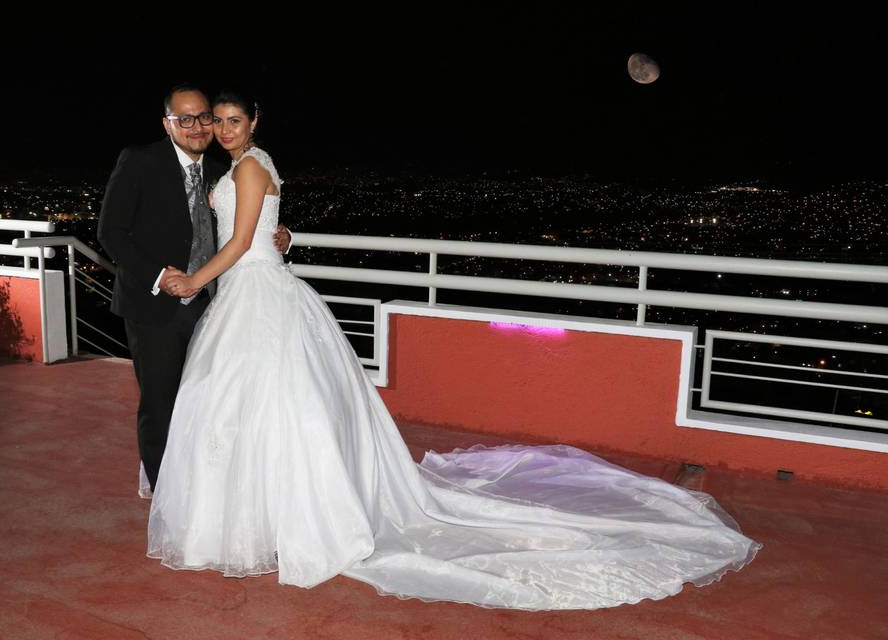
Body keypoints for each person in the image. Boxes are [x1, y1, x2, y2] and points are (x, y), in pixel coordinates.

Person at [147, 91, 760, 610]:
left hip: (256, 296)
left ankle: (288, 519)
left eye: (231, 119)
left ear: (253, 123)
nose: (222, 128)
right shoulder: (240, 170)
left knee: (265, 408)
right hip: (248, 293)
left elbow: (246, 238)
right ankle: (261, 518)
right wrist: (282, 238)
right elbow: (260, 232)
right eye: (215, 120)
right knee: (248, 410)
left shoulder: (250, 167)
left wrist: (193, 281)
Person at [97, 84, 290, 492]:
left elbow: (246, 223)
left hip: (214, 305)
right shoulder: (139, 161)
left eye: (204, 117)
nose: (199, 127)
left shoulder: (224, 170)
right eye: (185, 119)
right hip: (154, 308)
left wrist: (280, 234)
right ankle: (165, 493)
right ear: (167, 124)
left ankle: (201, 490)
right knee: (161, 403)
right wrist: (157, 276)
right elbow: (111, 232)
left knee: (209, 401)